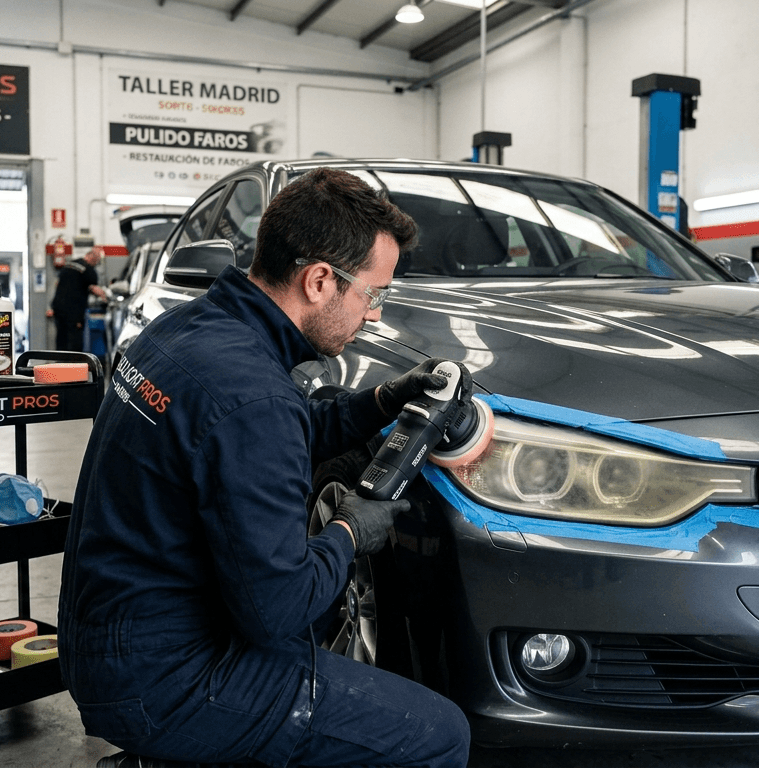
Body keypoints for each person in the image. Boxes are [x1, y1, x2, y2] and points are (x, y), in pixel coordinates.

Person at [58, 168, 471, 768]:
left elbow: (260, 439)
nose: (375, 316)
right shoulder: (253, 396)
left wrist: (380, 402)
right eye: (372, 295)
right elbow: (278, 606)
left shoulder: (189, 330)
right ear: (320, 280)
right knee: (437, 735)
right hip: (167, 682)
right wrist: (351, 533)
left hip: (104, 642)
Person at [50, 246, 107, 351]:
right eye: (97, 261)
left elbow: (59, 284)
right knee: (74, 342)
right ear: (94, 258)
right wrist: (105, 296)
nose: (96, 263)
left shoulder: (69, 264)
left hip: (58, 308)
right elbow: (95, 290)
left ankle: (59, 364)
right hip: (74, 313)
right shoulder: (89, 271)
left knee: (61, 340)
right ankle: (74, 366)